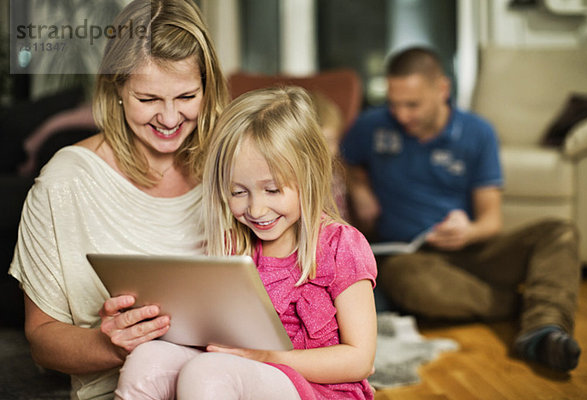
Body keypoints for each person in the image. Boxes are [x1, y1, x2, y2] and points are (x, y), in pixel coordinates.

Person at [8, 0, 229, 398]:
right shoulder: (65, 183)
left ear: (208, 88)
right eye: (148, 99)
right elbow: (41, 339)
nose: (169, 118)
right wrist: (108, 345)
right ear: (118, 89)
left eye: (186, 97)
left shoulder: (233, 167)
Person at [114, 86, 378, 399]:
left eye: (273, 190)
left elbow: (360, 360)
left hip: (319, 388)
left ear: (310, 175)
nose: (255, 209)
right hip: (237, 367)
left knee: (209, 372)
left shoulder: (340, 245)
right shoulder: (232, 245)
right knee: (147, 359)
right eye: (239, 192)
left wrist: (269, 358)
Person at [341, 46, 582, 372]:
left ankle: (544, 330)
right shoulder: (372, 126)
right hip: (412, 259)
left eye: (412, 104)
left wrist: (469, 231)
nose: (401, 115)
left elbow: (491, 221)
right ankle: (534, 310)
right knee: (405, 280)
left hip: (471, 249)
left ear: (442, 90)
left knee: (560, 231)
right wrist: (359, 187)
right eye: (393, 103)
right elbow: (341, 158)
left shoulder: (478, 132)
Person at [309, 90, 349, 220]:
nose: (324, 151)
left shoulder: (336, 174)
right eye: (316, 144)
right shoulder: (300, 183)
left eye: (330, 141)